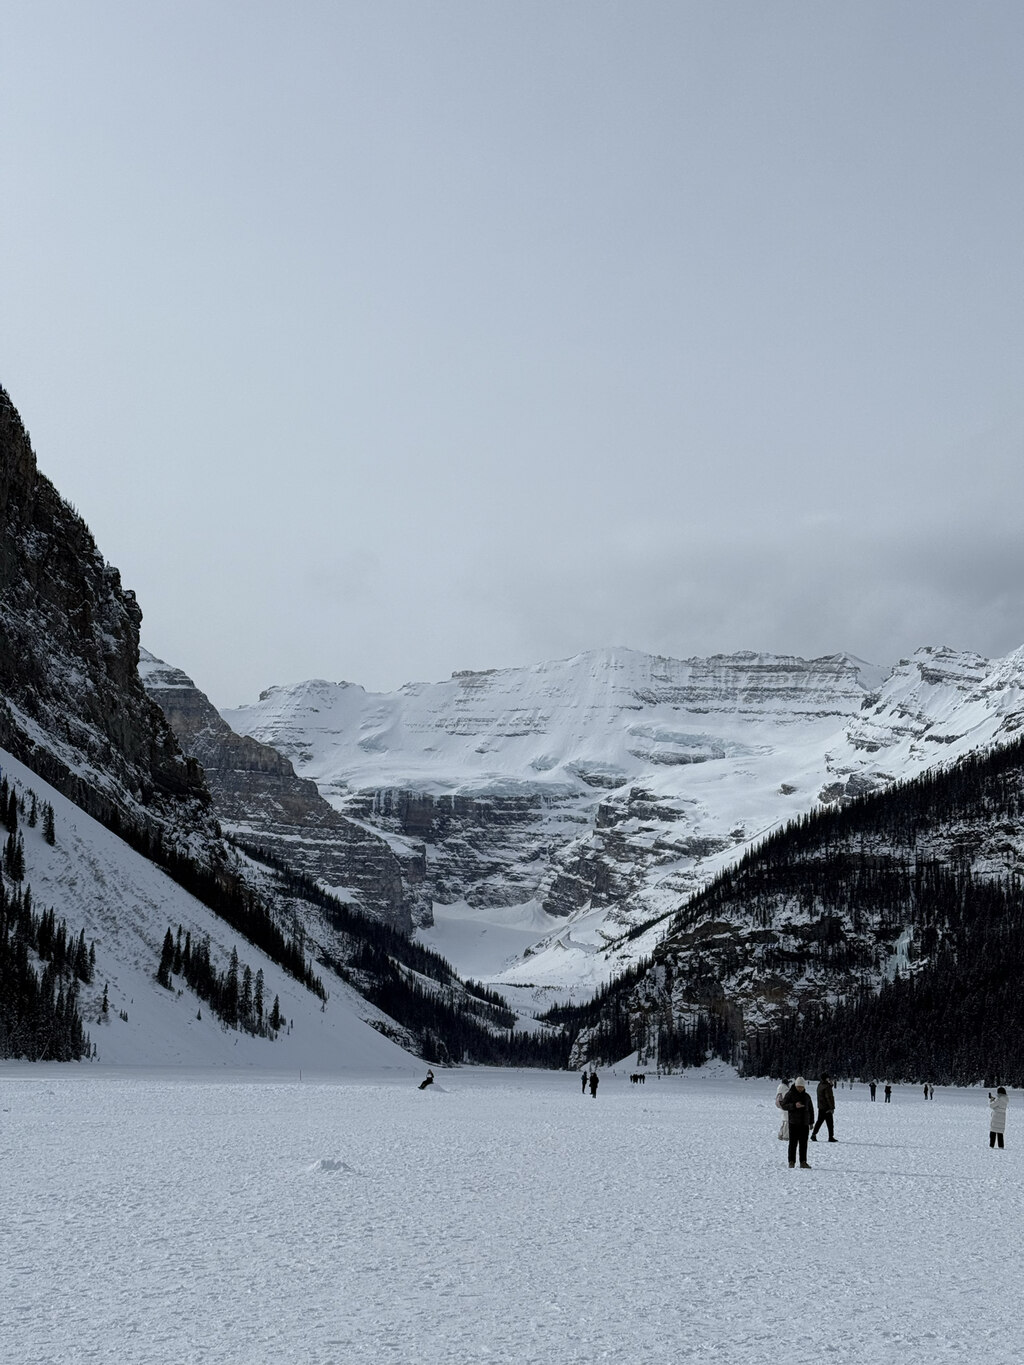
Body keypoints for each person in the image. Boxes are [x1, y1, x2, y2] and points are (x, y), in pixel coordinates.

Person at [780, 1077, 815, 1168]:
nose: (800, 1088)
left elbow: (811, 1110)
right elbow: (783, 1105)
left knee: (804, 1144)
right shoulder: (790, 1094)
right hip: (793, 1123)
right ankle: (791, 1161)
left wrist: (811, 1122)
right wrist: (794, 1106)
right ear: (795, 1086)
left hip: (804, 1123)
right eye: (798, 1087)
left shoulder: (807, 1096)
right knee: (793, 1143)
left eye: (802, 1087)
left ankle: (803, 1162)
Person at [811, 1073, 837, 1142]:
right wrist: (831, 1107)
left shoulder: (820, 1085)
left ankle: (813, 1134)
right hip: (827, 1107)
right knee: (830, 1123)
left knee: (819, 1122)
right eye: (828, 1078)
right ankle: (830, 1137)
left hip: (821, 1107)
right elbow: (828, 1097)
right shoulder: (827, 1086)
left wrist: (830, 1085)